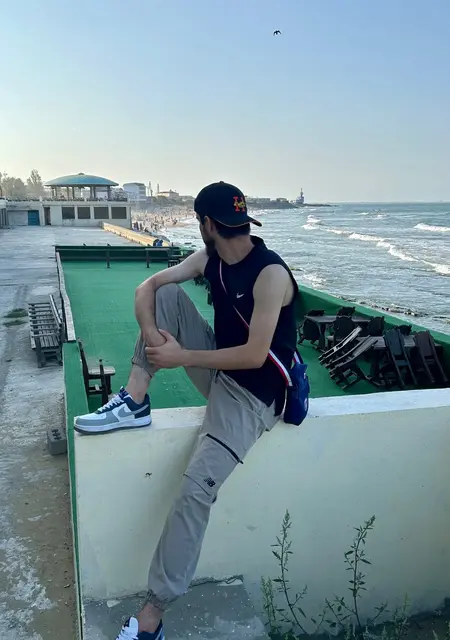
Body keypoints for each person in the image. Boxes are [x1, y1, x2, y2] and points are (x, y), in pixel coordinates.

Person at [74, 181, 299, 640]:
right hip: (219, 371)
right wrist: (151, 333)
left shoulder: (271, 275)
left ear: (206, 224)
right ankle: (135, 401)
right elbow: (149, 287)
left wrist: (181, 357)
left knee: (196, 490)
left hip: (252, 396)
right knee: (168, 297)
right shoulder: (210, 259)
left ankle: (151, 618)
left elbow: (255, 355)